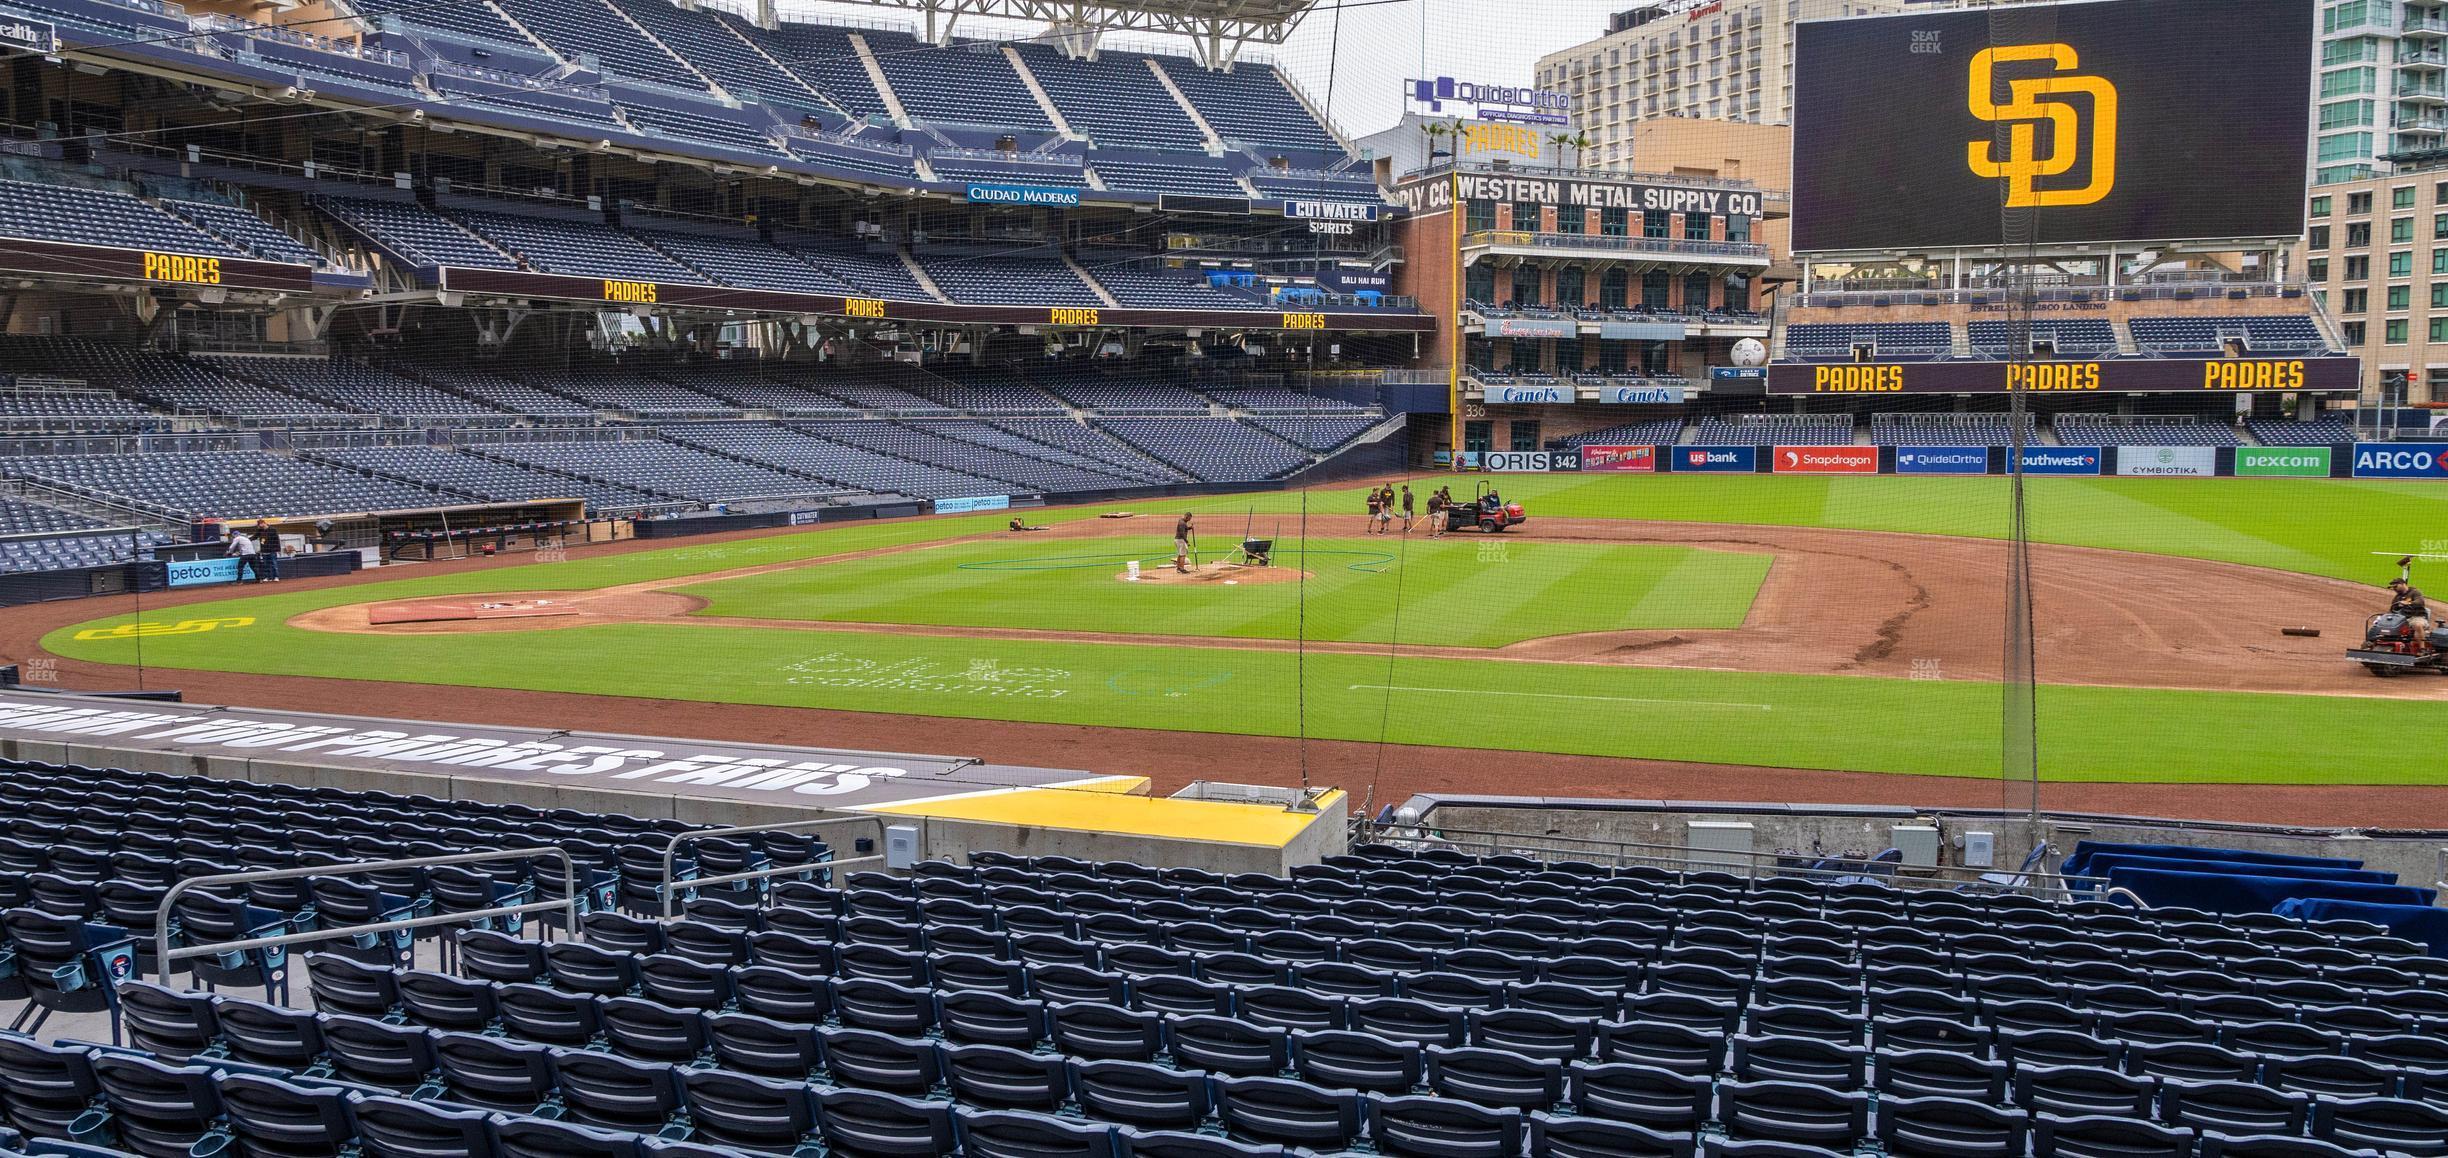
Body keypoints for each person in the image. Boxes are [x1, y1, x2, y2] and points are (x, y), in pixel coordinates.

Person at [2391, 556, 2433, 651]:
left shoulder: (2415, 592)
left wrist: (2407, 604)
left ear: (2402, 584)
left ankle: (2422, 649)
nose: (2394, 589)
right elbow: (2392, 609)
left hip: (2417, 617)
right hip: (2402, 618)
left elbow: (2420, 602)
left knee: (2417, 625)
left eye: (2395, 586)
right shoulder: (2397, 597)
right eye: (2392, 587)